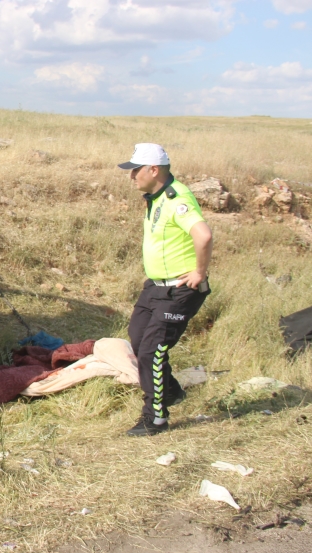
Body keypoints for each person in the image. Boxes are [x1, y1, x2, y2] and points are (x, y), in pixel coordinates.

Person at [117, 143, 213, 436]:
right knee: (137, 339)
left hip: (178, 290)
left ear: (153, 170)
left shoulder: (176, 199)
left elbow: (204, 235)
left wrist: (199, 272)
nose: (131, 177)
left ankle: (155, 418)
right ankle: (169, 391)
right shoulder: (155, 197)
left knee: (151, 351)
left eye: (135, 171)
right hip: (155, 287)